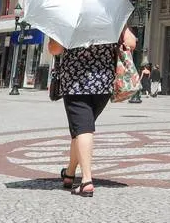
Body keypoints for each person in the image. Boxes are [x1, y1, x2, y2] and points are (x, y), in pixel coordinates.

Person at [49, 26, 137, 197]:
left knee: (83, 130)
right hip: (103, 83)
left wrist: (57, 37)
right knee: (81, 129)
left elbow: (55, 49)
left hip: (76, 82)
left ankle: (86, 181)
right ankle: (69, 173)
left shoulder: (68, 19)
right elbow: (131, 43)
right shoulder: (109, 17)